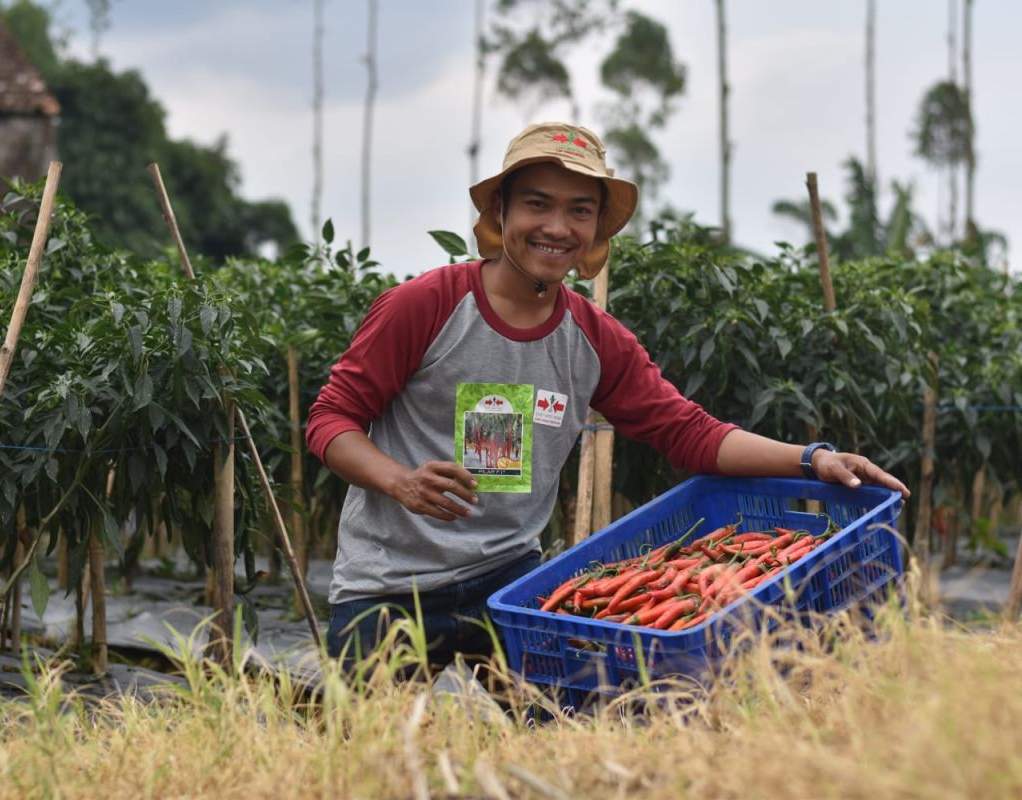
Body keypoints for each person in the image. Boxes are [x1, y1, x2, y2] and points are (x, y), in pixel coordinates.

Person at [305, 121, 909, 672]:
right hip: (388, 585)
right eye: (537, 204)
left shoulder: (595, 339)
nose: (558, 227)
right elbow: (331, 420)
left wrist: (812, 459)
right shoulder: (426, 306)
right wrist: (399, 481)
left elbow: (689, 432)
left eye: (580, 210)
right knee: (367, 755)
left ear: (597, 227)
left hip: (510, 584)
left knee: (552, 745)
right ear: (500, 209)